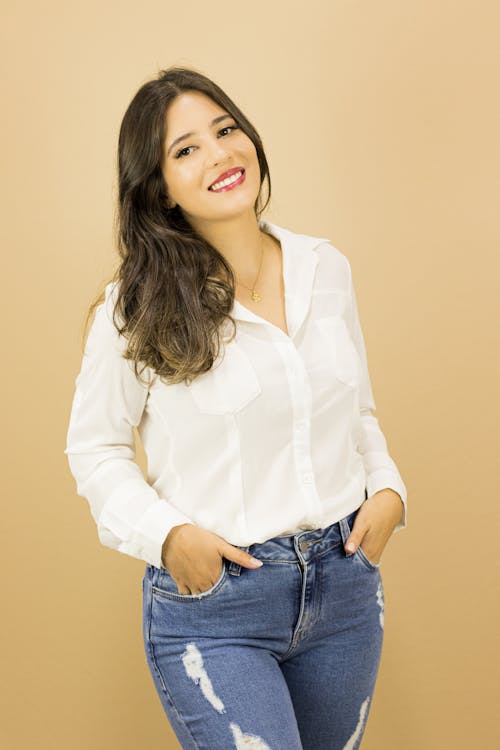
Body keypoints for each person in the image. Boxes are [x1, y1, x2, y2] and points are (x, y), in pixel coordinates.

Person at [64, 65, 408, 750]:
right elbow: (95, 449)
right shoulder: (133, 308)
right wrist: (168, 537)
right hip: (216, 611)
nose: (220, 154)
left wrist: (390, 488)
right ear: (158, 187)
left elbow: (356, 413)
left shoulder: (324, 268)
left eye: (226, 129)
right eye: (185, 148)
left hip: (343, 594)